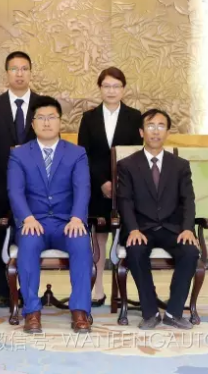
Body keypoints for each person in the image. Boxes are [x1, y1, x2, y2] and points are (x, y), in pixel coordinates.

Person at [7, 96, 92, 334]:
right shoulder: (19, 154)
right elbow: (15, 191)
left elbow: (82, 188)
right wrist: (27, 218)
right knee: (28, 245)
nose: (46, 123)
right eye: (41, 118)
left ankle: (80, 310)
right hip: (34, 221)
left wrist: (77, 217)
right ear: (32, 123)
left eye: (51, 117)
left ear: (60, 122)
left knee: (81, 244)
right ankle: (32, 311)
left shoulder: (77, 153)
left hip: (68, 221)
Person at [117, 109, 199, 330]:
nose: (155, 131)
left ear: (168, 132)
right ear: (141, 132)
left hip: (172, 228)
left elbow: (188, 200)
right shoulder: (127, 165)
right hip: (141, 228)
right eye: (150, 126)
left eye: (161, 126)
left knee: (190, 252)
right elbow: (125, 201)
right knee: (135, 251)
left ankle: (174, 312)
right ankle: (150, 312)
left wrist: (187, 228)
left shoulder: (180, 165)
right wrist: (133, 229)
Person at [77, 67, 142, 307]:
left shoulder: (135, 117)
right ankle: (98, 289)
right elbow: (83, 155)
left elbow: (136, 155)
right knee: (99, 239)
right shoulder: (89, 118)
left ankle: (122, 291)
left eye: (116, 86)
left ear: (123, 89)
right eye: (107, 86)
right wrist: (102, 182)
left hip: (126, 189)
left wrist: (118, 184)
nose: (111, 91)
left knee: (124, 237)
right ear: (100, 88)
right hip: (97, 188)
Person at [0, 51, 40, 307]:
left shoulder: (42, 105)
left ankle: (28, 289)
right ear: (7, 73)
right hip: (1, 182)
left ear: (30, 72)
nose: (19, 73)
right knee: (3, 233)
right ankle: (5, 292)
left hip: (35, 184)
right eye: (14, 69)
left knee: (30, 234)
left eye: (24, 68)